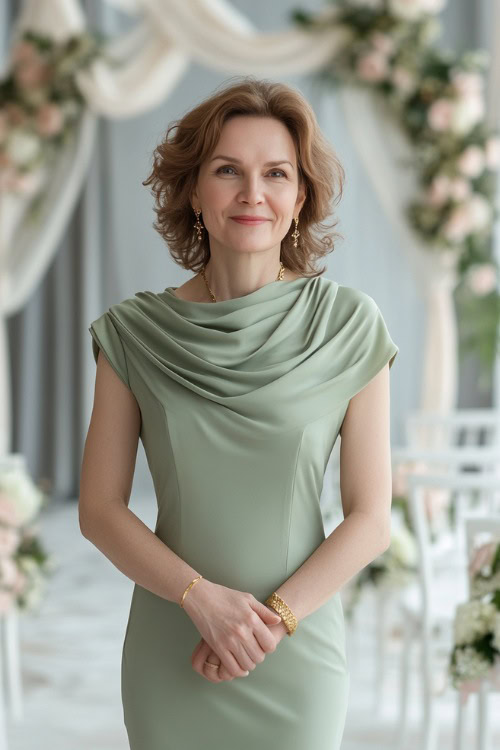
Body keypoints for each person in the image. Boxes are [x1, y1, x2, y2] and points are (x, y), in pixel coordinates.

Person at [79, 76, 399, 750]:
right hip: (173, 645)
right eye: (228, 170)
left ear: (300, 197)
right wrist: (202, 600)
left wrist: (268, 624)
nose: (253, 192)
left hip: (297, 652)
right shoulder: (134, 333)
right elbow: (100, 510)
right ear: (194, 192)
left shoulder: (349, 325)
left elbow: (371, 518)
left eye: (276, 173)